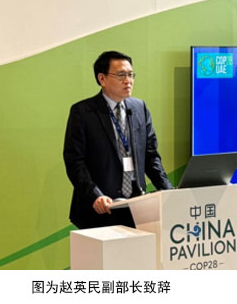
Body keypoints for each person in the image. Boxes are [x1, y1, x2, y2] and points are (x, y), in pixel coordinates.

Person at [63, 51, 173, 229]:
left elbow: (151, 156)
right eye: (121, 75)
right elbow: (75, 161)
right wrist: (95, 195)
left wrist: (168, 190)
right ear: (102, 79)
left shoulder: (139, 108)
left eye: (130, 74)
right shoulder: (83, 112)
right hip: (101, 208)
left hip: (137, 207)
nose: (128, 81)